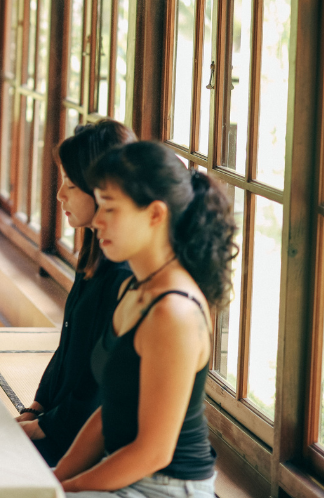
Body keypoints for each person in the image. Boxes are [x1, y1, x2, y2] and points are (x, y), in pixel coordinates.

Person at [53, 142, 236, 497]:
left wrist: (65, 489)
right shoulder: (134, 289)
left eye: (110, 208)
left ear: (155, 214)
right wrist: (58, 477)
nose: (97, 220)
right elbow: (112, 409)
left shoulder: (174, 313)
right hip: (124, 469)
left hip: (167, 487)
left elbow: (153, 452)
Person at [18, 120, 137, 465]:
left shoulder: (124, 276)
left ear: (101, 190)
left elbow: (99, 387)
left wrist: (42, 428)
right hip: (58, 423)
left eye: (70, 185)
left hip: (86, 442)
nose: (59, 195)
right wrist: (36, 408)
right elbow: (68, 348)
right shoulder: (94, 255)